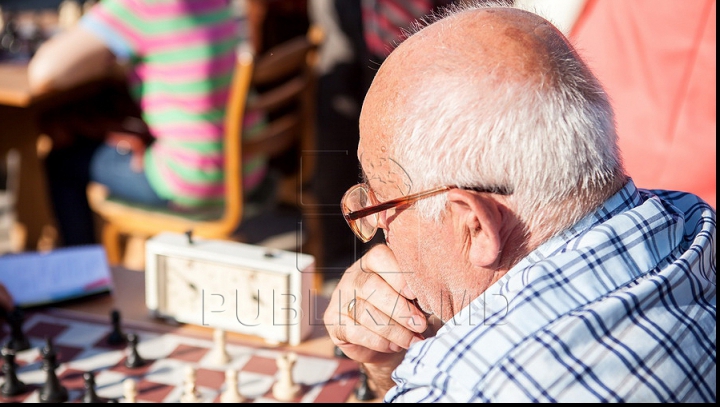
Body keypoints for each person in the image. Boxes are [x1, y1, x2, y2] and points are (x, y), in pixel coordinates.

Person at [323, 2, 716, 403]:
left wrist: (386, 378)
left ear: (476, 225)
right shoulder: (694, 221)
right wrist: (394, 362)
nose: (379, 232)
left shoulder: (462, 387)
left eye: (382, 205)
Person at [27, 0, 268, 247]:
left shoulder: (140, 5)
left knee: (61, 162)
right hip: (246, 165)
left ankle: (85, 278)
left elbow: (43, 72)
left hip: (194, 179)